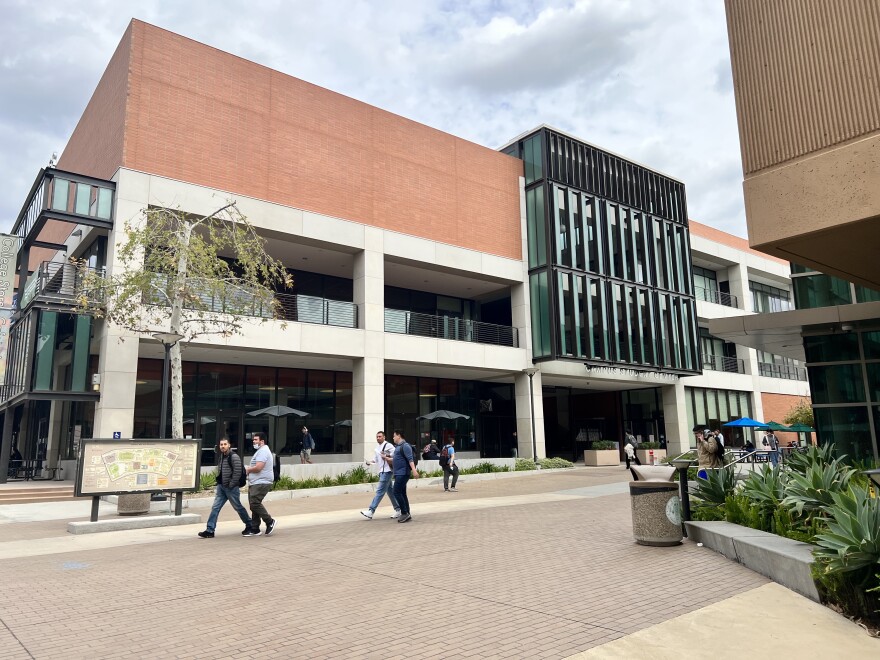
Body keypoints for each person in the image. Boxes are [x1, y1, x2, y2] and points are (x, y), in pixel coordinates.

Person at [198, 437, 253, 538]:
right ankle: (210, 530)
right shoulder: (222, 456)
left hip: (231, 488)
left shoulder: (234, 456)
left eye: (224, 444)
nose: (223, 446)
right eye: (221, 445)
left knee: (238, 507)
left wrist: (231, 484)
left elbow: (237, 472)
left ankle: (250, 525)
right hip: (221, 487)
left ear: (229, 445)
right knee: (215, 507)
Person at [361, 431, 401, 520]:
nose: (378, 438)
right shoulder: (377, 448)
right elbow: (375, 460)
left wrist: (387, 455)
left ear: (384, 437)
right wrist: (370, 463)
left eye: (380, 436)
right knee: (390, 491)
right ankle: (398, 509)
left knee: (380, 491)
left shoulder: (389, 445)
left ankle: (371, 511)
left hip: (387, 471)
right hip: (382, 472)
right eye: (377, 437)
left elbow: (396, 455)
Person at [244, 431, 276, 536]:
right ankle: (255, 528)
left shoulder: (263, 451)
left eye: (255, 440)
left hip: (262, 482)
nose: (253, 441)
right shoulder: (260, 451)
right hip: (256, 482)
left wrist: (248, 469)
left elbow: (258, 468)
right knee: (253, 505)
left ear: (262, 441)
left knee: (254, 503)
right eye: (253, 439)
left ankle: (269, 521)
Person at [391, 429, 419, 523]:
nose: (393, 437)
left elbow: (410, 459)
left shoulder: (405, 446)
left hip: (403, 473)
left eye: (394, 436)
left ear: (399, 436)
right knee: (402, 493)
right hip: (399, 473)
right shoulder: (398, 447)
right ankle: (407, 513)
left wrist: (414, 470)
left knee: (396, 492)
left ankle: (404, 513)